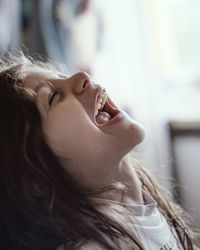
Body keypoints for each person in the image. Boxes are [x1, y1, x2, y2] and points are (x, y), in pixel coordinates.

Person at [0, 52, 198, 250]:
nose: (81, 77)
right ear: (37, 183)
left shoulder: (143, 209)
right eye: (53, 97)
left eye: (62, 76)